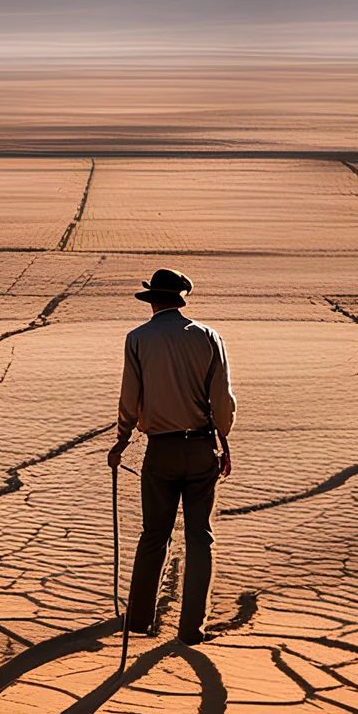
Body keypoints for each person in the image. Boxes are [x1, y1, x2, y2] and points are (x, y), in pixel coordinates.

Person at [107, 268, 236, 645]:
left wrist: (121, 439)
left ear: (153, 300)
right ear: (180, 299)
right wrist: (223, 440)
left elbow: (130, 399)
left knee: (153, 534)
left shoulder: (138, 339)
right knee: (200, 538)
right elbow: (222, 401)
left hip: (160, 451)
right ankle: (192, 628)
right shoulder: (209, 337)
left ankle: (139, 620)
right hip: (200, 448)